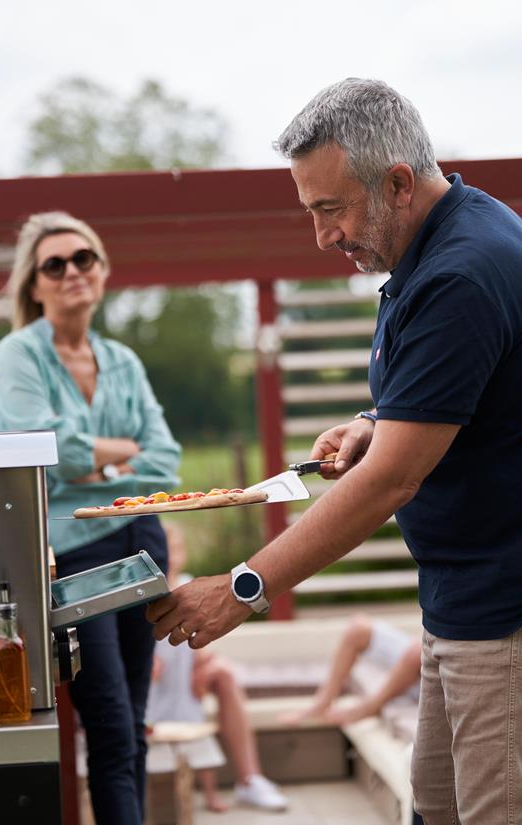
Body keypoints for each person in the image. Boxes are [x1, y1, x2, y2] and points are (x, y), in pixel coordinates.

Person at [147, 78, 522, 825]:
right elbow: (456, 388)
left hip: (503, 616)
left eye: (331, 209)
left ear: (398, 182)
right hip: (462, 607)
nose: (322, 236)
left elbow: (389, 483)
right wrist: (378, 416)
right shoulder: (443, 245)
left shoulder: (461, 271)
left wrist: (244, 586)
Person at [0, 212, 181, 825]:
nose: (72, 271)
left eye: (84, 259)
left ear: (101, 272)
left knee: (137, 729)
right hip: (73, 553)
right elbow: (52, 447)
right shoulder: (21, 352)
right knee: (111, 726)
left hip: (141, 539)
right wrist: (121, 454)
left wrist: (95, 467)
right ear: (35, 285)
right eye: (55, 264)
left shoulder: (121, 357)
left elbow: (167, 460)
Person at [146, 523, 288, 812]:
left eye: (177, 549)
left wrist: (204, 663)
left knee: (222, 673)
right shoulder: (148, 596)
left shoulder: (189, 586)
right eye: (166, 550)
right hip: (156, 682)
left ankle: (247, 781)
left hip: (185, 677)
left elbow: (201, 638)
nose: (172, 556)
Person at [281, 614, 421, 728]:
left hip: (433, 676)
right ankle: (322, 703)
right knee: (357, 629)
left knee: (417, 652)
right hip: (427, 651)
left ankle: (369, 708)